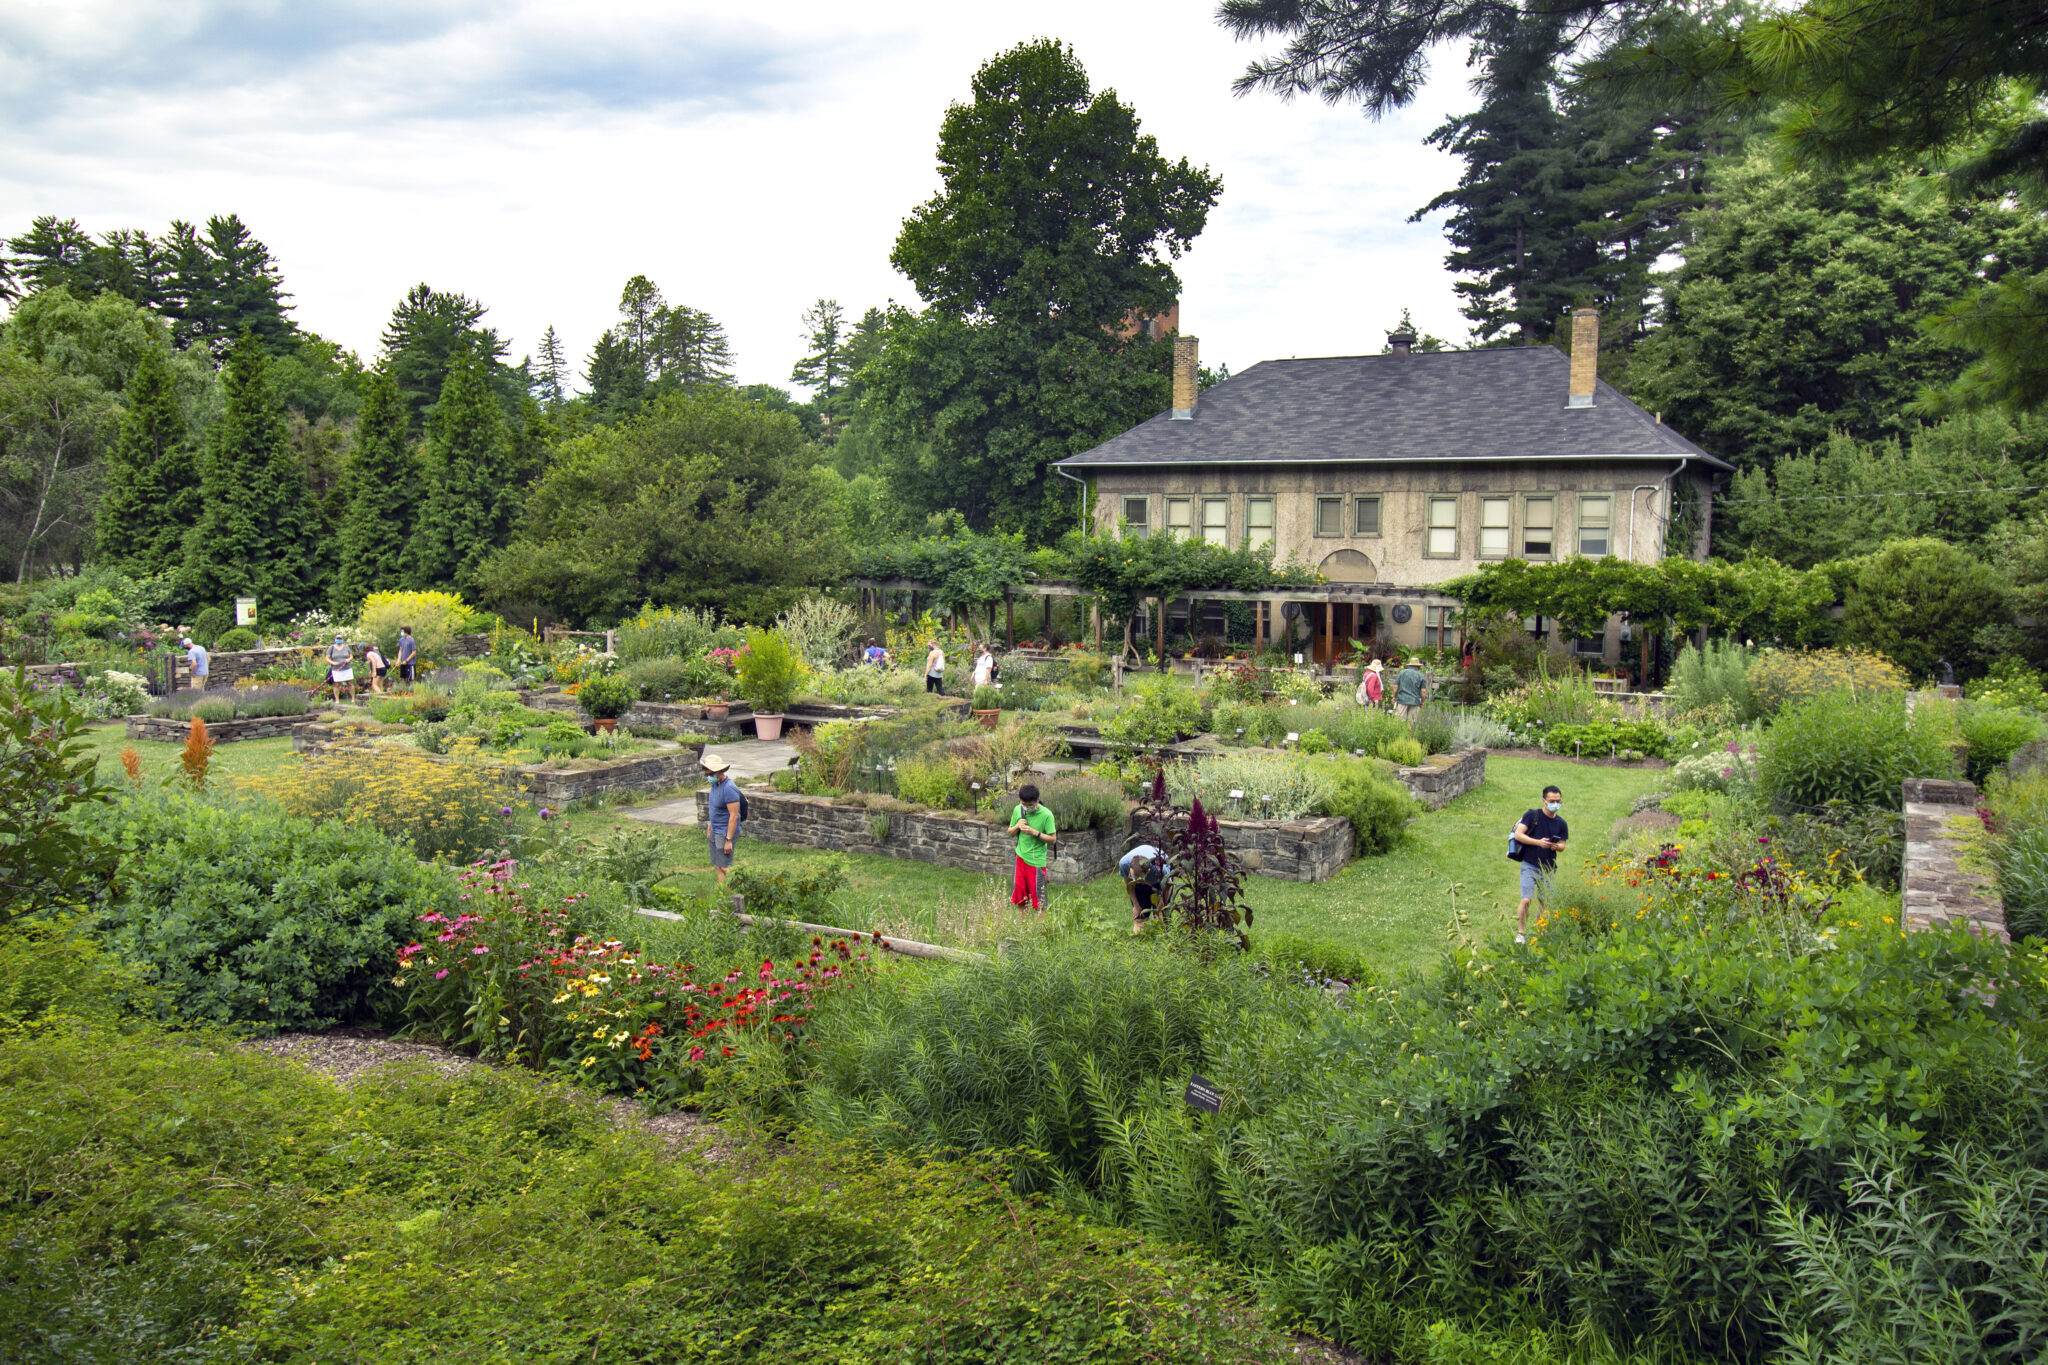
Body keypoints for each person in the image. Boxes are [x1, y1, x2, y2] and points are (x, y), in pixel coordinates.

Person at [1511, 785, 1569, 943]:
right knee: (1526, 899)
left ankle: (1540, 929)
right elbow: (1518, 834)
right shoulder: (1532, 815)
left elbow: (1563, 845)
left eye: (1558, 801)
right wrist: (1538, 842)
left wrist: (1557, 847)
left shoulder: (1561, 823)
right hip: (1530, 864)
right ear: (1544, 800)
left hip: (1549, 868)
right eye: (1552, 801)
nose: (1555, 804)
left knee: (1545, 901)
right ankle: (1521, 933)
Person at [1007, 782, 1058, 912]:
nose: (1026, 808)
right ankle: (1021, 930)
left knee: (1039, 903)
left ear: (1037, 801)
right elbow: (1010, 832)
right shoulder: (1017, 809)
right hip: (1020, 859)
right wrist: (1017, 826)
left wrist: (1034, 832)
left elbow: (1053, 839)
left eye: (1030, 805)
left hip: (1036, 863)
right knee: (1020, 900)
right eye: (1024, 804)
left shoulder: (1047, 815)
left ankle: (1040, 931)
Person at [704, 754, 743, 886]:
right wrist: (710, 826)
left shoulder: (729, 788)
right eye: (706, 773)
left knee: (724, 866)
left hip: (725, 832)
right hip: (715, 830)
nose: (707, 776)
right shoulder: (715, 785)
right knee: (717, 864)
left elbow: (734, 816)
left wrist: (728, 840)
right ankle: (722, 893)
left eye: (710, 774)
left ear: (719, 772)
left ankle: (742, 885)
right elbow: (714, 808)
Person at [1119, 843, 1170, 933]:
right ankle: (1139, 944)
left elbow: (1168, 884)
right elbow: (1128, 882)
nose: (1134, 879)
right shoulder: (1124, 864)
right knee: (1139, 918)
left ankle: (1164, 942)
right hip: (1140, 886)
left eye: (1137, 877)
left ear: (1148, 871)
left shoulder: (1160, 868)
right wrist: (1136, 905)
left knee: (1161, 917)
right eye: (1132, 876)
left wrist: (1160, 905)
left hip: (1159, 884)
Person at [1393, 655, 1429, 721]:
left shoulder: (1402, 672)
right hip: (1415, 701)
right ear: (1418, 666)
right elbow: (1423, 691)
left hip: (1402, 700)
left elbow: (1395, 687)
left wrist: (1394, 696)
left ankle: (1401, 731)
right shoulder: (1421, 675)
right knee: (1411, 723)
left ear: (1409, 665)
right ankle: (1410, 732)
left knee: (1400, 722)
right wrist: (1422, 701)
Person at [326, 634, 356, 705]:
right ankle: (337, 700)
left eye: (340, 638)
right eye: (337, 638)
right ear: (335, 639)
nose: (339, 640)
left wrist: (348, 659)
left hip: (347, 668)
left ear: (342, 639)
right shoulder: (331, 648)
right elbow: (327, 657)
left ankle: (353, 699)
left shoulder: (346, 647)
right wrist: (332, 662)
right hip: (336, 669)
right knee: (336, 684)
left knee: (350, 683)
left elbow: (351, 656)